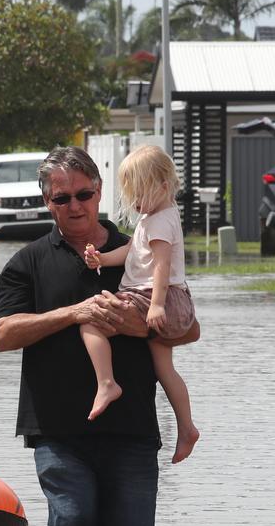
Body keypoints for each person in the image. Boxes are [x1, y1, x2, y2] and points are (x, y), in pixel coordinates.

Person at [0, 146, 199, 526]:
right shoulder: (28, 262)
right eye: (61, 198)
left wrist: (138, 326)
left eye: (83, 194)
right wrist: (74, 313)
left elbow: (189, 327)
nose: (74, 206)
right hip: (58, 432)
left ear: (99, 191)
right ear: (47, 201)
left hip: (133, 432)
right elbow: (1, 336)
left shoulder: (139, 247)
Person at [81, 145, 199, 463]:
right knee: (164, 369)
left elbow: (161, 265)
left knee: (91, 317)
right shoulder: (157, 216)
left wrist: (156, 305)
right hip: (172, 299)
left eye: (139, 195)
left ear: (163, 186)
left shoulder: (159, 223)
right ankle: (187, 428)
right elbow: (133, 252)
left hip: (155, 297)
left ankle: (106, 383)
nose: (135, 203)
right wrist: (101, 259)